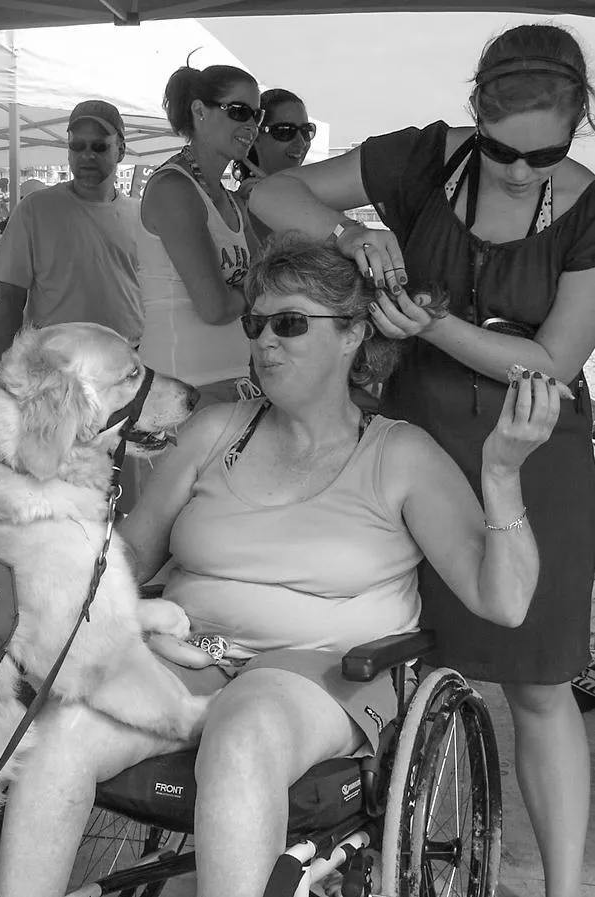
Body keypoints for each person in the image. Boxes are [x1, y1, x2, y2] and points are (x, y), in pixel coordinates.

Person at [0, 237, 561, 897]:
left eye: (289, 323)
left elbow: (505, 600)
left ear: (351, 334)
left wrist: (500, 473)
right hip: (186, 653)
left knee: (245, 728)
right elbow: (125, 559)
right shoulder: (214, 431)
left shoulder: (400, 454)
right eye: (254, 323)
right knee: (61, 728)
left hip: (319, 673)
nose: (264, 341)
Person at [249, 23, 595, 897]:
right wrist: (349, 234)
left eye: (545, 152)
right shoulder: (420, 161)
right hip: (407, 442)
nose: (520, 171)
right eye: (499, 149)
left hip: (534, 447)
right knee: (382, 652)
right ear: (471, 116)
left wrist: (429, 323)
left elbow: (550, 366)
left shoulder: (589, 205)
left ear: (579, 122)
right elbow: (270, 194)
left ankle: (561, 887)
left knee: (540, 683)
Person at [137, 63, 261, 406]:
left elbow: (272, 276)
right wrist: (252, 286)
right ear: (199, 112)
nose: (251, 124)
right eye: (239, 111)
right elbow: (215, 307)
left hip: (232, 384)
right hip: (179, 390)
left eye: (257, 115)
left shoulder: (233, 202)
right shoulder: (174, 189)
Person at [0, 99, 144, 359]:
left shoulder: (140, 214)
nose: (87, 155)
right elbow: (8, 300)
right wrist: (8, 369)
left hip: (128, 364)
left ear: (121, 150)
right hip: (57, 367)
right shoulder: (35, 209)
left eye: (99, 146)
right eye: (77, 146)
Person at [233, 88, 316, 244]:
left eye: (306, 131)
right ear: (256, 137)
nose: (301, 142)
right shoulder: (238, 210)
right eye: (285, 131)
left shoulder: (318, 198)